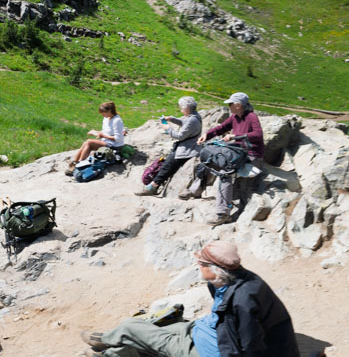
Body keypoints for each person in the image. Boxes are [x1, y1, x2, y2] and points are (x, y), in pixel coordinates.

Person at [83, 241, 299, 357]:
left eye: (201, 264)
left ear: (214, 270)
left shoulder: (242, 301)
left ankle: (105, 340)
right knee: (155, 329)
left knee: (132, 327)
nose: (198, 266)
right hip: (207, 330)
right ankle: (110, 353)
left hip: (212, 350)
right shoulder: (238, 279)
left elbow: (251, 345)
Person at [186, 93, 262, 224]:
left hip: (251, 155)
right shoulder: (234, 117)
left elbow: (258, 134)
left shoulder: (251, 117)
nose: (229, 106)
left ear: (238, 105)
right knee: (209, 160)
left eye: (230, 104)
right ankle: (196, 190)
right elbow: (221, 128)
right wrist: (207, 135)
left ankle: (223, 213)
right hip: (237, 151)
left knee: (225, 173)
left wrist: (235, 137)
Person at [136, 97, 202, 197]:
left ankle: (153, 187)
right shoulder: (194, 116)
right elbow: (184, 123)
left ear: (187, 108)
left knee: (167, 165)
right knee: (167, 163)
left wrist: (168, 129)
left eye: (181, 108)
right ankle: (154, 185)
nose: (181, 110)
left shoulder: (192, 120)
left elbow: (180, 136)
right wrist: (172, 119)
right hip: (187, 147)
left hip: (187, 150)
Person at [67, 102, 128, 175]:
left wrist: (103, 136)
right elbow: (106, 131)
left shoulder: (117, 121)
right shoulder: (106, 119)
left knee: (89, 142)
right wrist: (96, 132)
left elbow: (118, 138)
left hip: (115, 145)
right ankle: (75, 162)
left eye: (103, 113)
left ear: (109, 111)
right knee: (86, 143)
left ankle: (78, 165)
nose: (102, 114)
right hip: (106, 141)